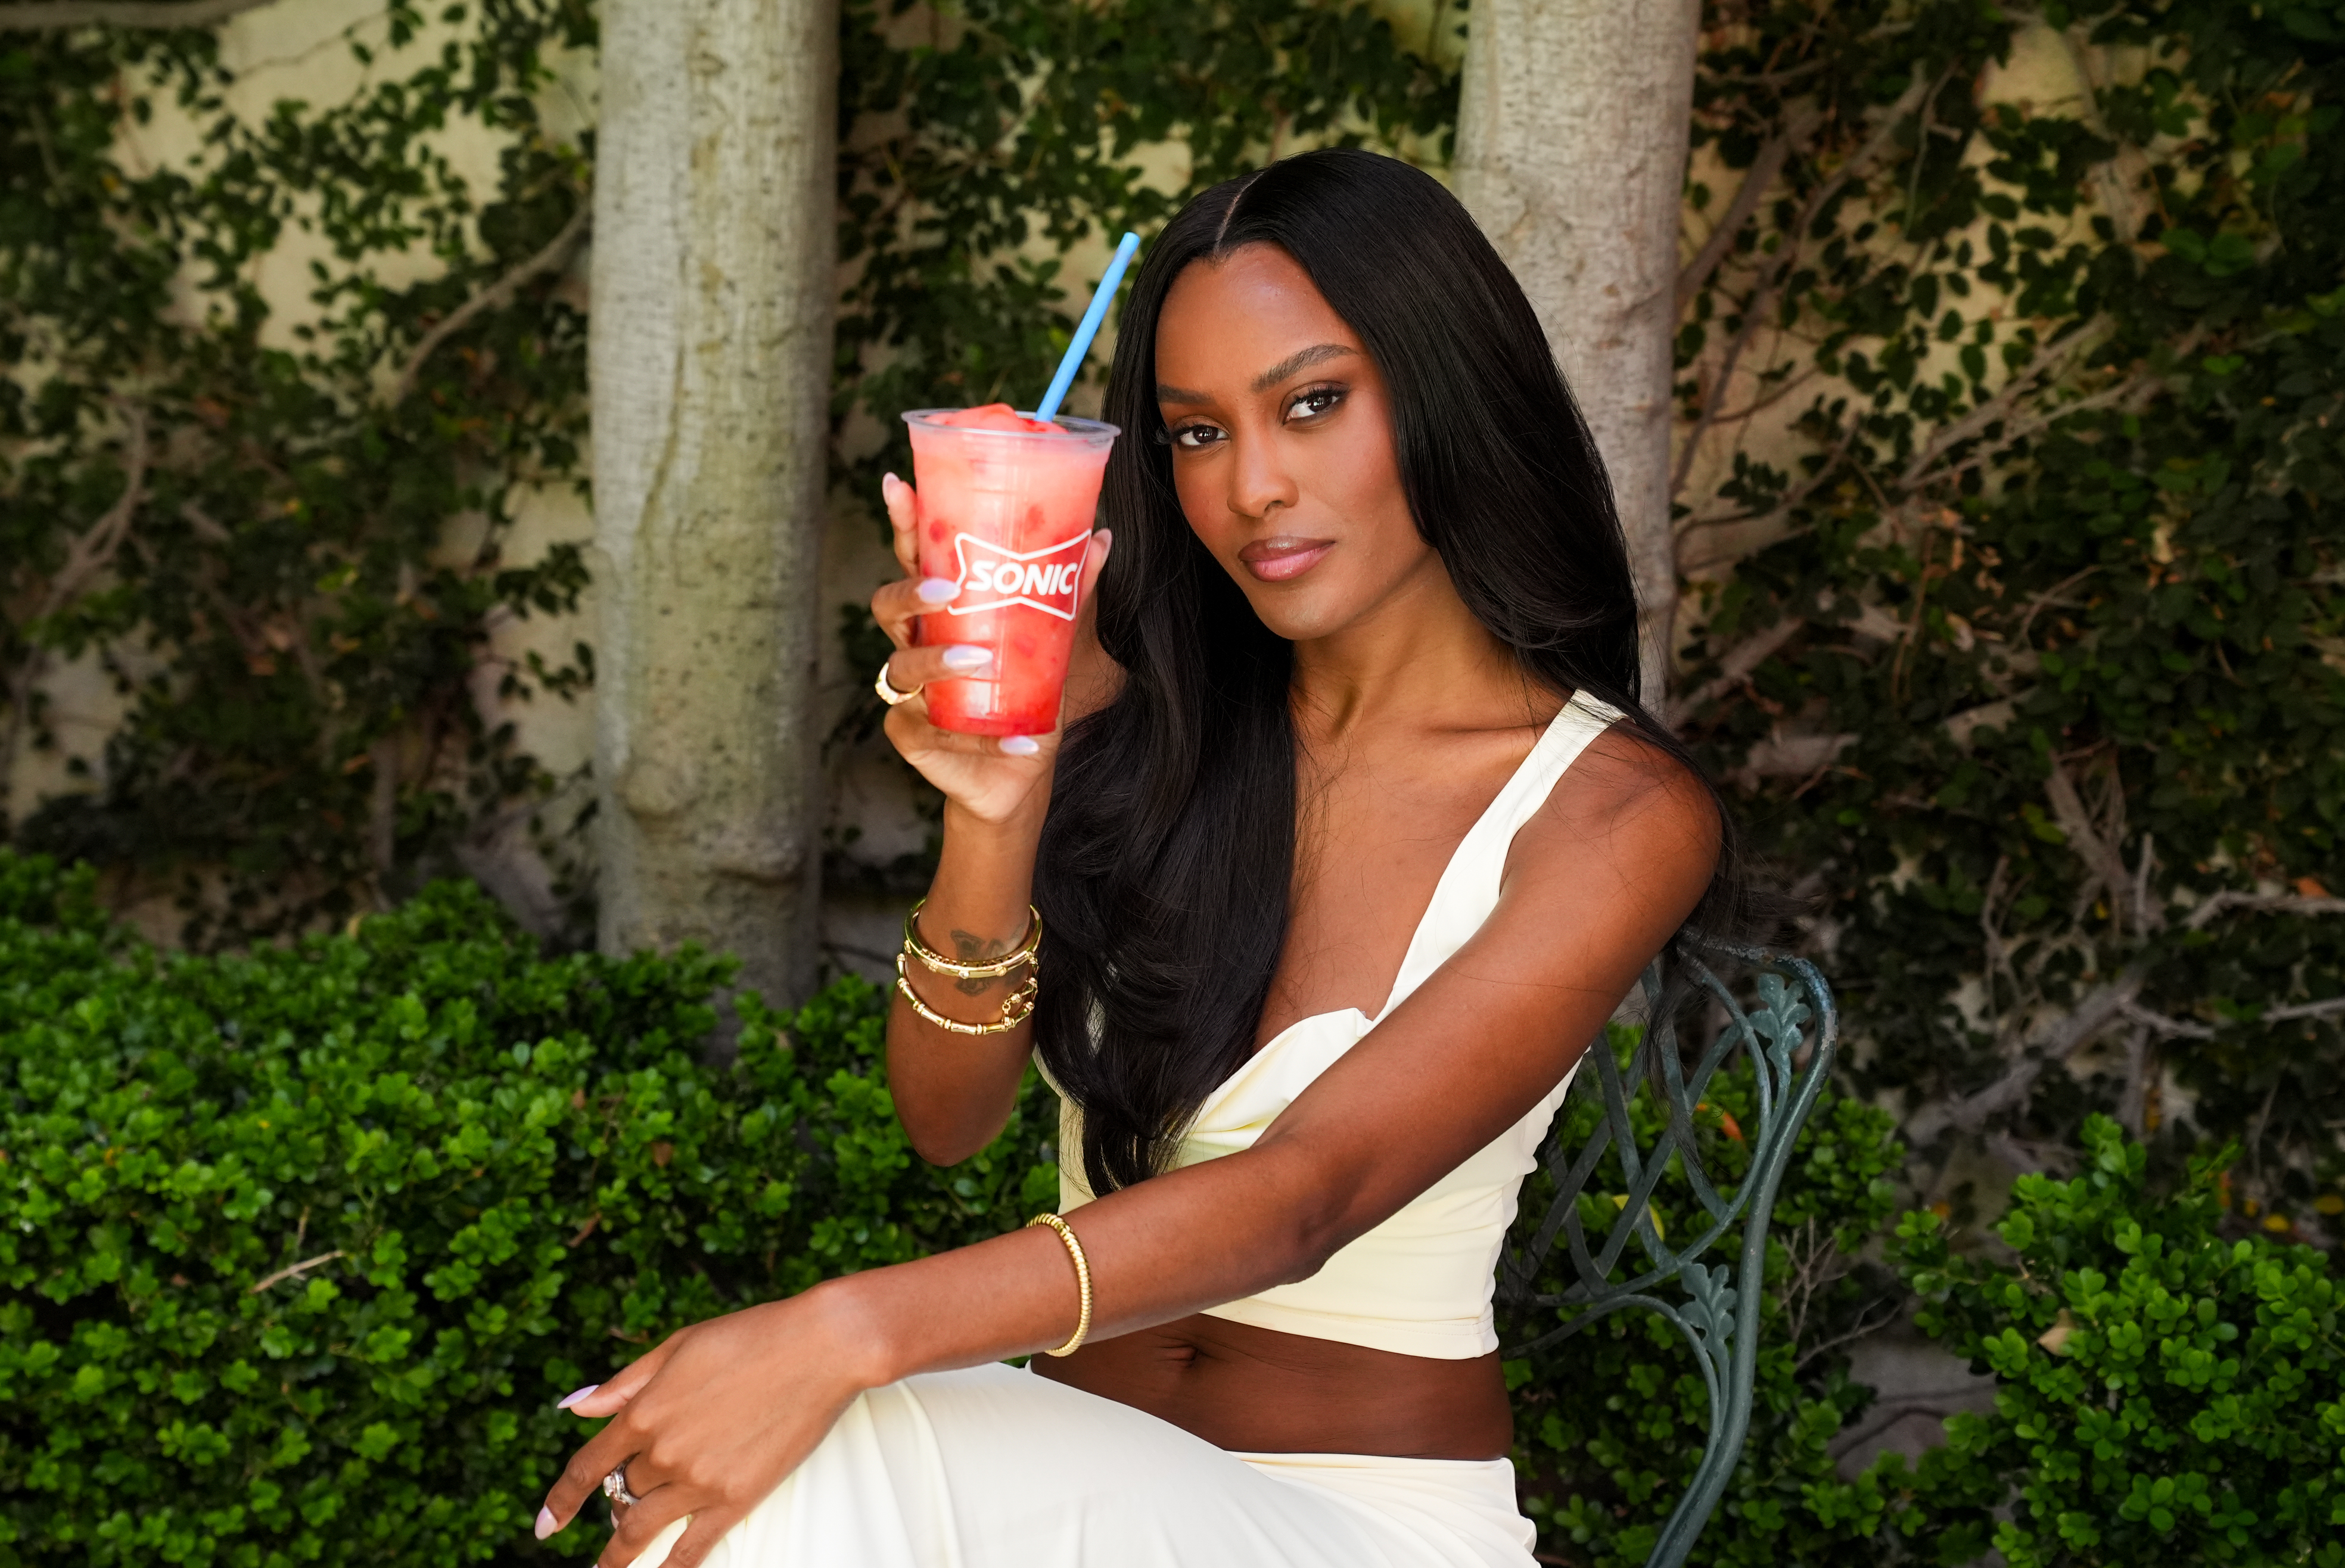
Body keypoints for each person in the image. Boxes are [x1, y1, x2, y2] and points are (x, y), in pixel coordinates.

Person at [534, 147, 1733, 1568]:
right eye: (1197, 433)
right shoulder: (1139, 714)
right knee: (773, 1473)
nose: (1255, 486)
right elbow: (947, 1118)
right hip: (1065, 1483)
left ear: (1445, 387)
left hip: (1358, 1525)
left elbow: (1310, 1195)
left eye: (1312, 403)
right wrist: (998, 809)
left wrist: (847, 1328)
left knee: (812, 1449)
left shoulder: (1610, 813)